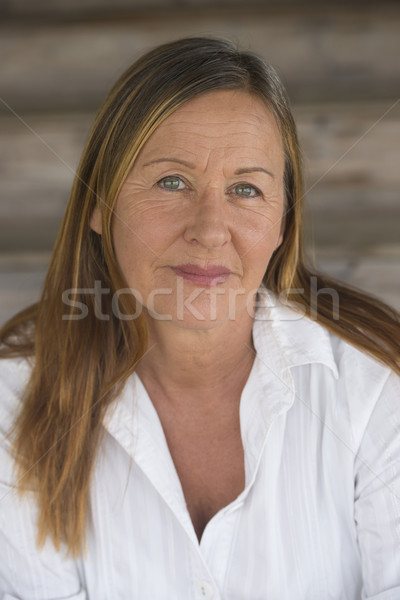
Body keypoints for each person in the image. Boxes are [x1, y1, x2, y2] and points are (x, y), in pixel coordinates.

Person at [0, 36, 399, 600]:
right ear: (98, 202)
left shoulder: (375, 385)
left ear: (282, 223)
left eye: (245, 189)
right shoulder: (14, 399)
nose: (210, 229)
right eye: (172, 182)